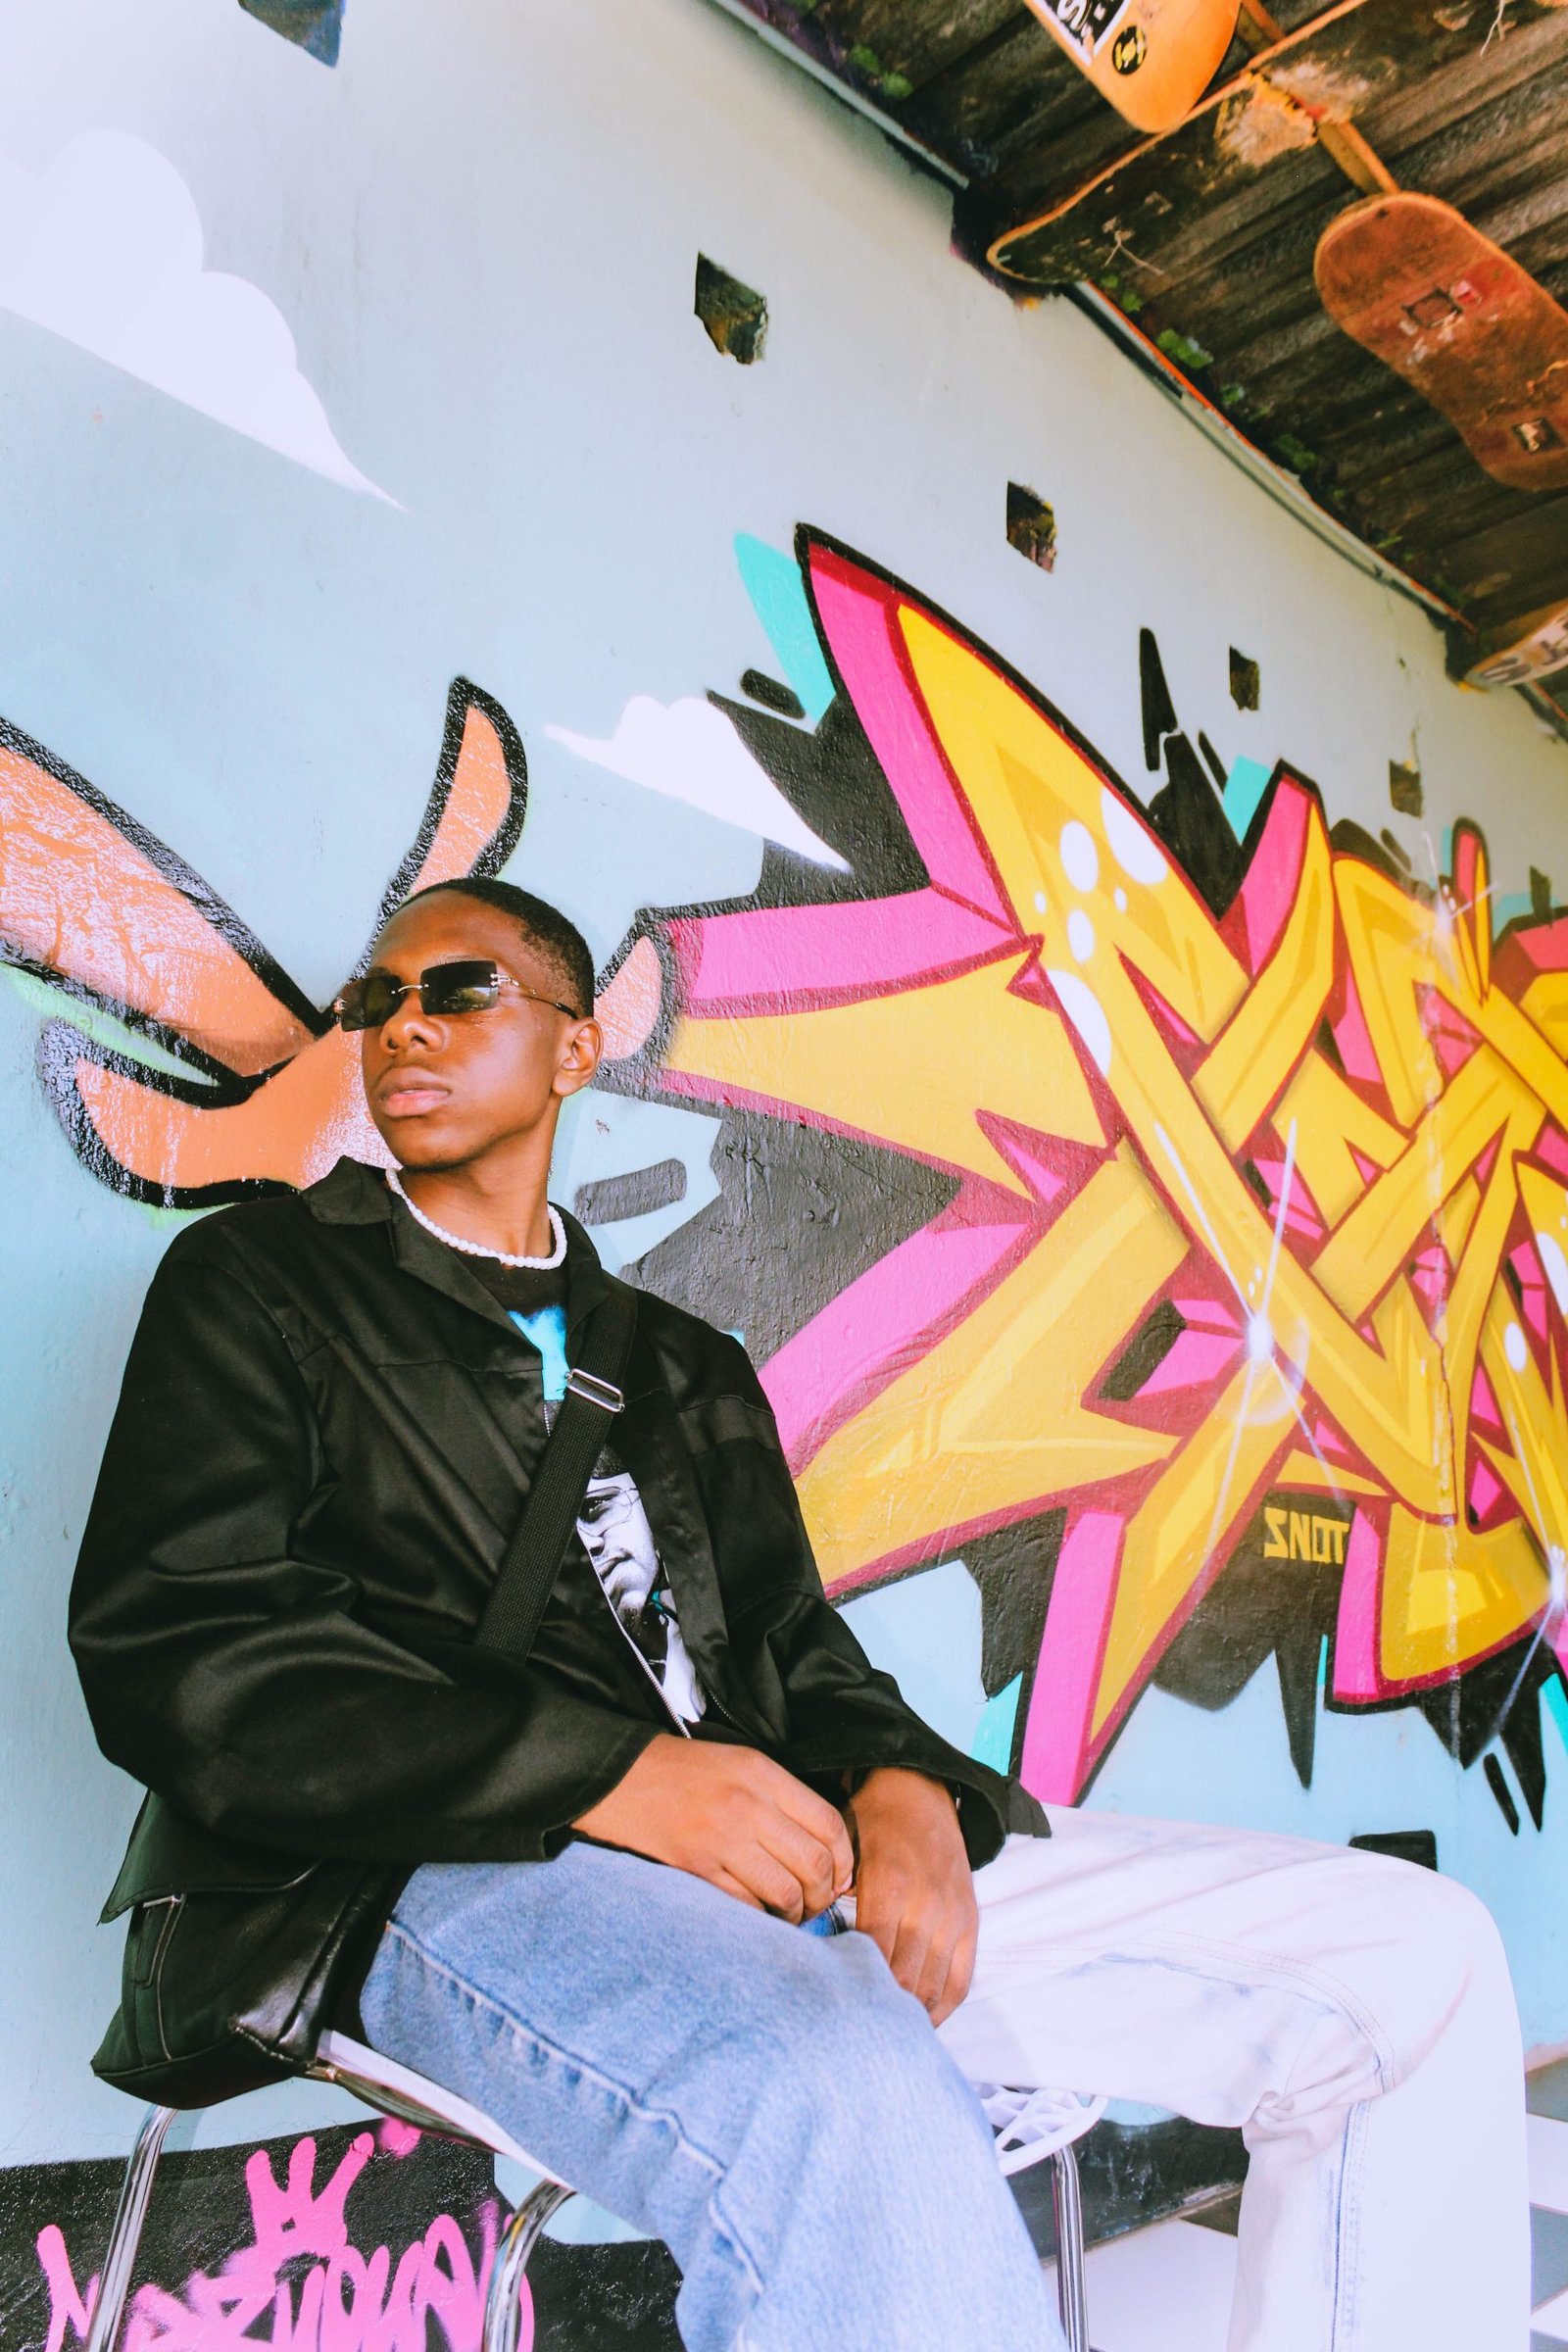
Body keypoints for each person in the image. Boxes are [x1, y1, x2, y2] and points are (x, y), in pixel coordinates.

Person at [71, 877, 1531, 2352]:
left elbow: (787, 1638)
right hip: (437, 1861)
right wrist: (619, 1780)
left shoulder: (677, 1360)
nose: (401, 1026)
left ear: (576, 1046)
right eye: (373, 1000)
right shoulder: (262, 1282)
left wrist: (907, 1788)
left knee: (1409, 1959)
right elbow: (185, 1648)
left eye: (457, 990)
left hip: (776, 1846)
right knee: (841, 2080)